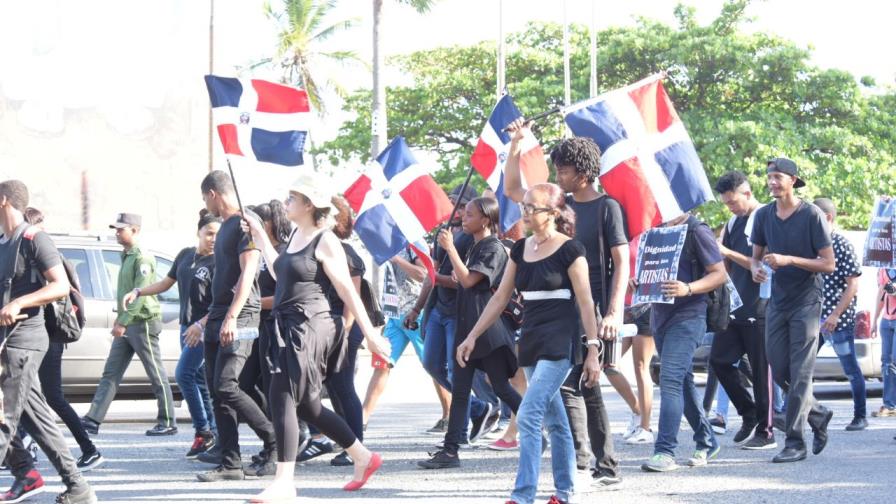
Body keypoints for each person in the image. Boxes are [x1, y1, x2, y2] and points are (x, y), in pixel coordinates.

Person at [242, 174, 393, 501]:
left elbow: (346, 290)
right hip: (289, 325)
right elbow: (277, 269)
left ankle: (284, 482)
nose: (286, 203)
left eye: (292, 198)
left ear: (309, 205)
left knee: (281, 393)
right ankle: (363, 457)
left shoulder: (325, 240)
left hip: (311, 326)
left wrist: (370, 334)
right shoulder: (297, 234)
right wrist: (258, 234)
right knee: (308, 405)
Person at [504, 122, 627, 487]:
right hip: (557, 309)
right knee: (569, 389)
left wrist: (614, 311)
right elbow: (512, 188)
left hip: (591, 307)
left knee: (586, 384)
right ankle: (584, 463)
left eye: (564, 170)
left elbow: (621, 260)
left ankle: (600, 464)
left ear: (585, 174)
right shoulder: (556, 205)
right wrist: (515, 146)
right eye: (556, 169)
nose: (558, 175)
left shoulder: (608, 208)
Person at [461, 183, 600, 504]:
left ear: (552, 213)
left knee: (528, 413)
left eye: (531, 208)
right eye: (523, 206)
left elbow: (586, 303)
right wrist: (472, 335)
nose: (524, 212)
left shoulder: (571, 250)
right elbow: (499, 298)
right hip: (531, 341)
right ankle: (565, 493)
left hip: (561, 342)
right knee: (556, 420)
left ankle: (522, 495)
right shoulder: (520, 249)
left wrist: (593, 349)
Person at [0, 179, 97, 504]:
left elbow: (60, 286)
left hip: (26, 342)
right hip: (8, 342)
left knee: (3, 416)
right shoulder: (4, 242)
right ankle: (75, 487)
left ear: (3, 201)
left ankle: (28, 473)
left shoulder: (34, 238)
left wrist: (18, 304)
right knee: (37, 419)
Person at [418, 197, 522, 469]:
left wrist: (451, 249)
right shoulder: (475, 246)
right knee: (461, 390)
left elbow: (467, 280)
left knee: (501, 387)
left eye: (470, 215)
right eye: (463, 214)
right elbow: (458, 280)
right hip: (468, 329)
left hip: (487, 332)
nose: (463, 218)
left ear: (486, 220)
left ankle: (541, 428)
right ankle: (451, 451)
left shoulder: (494, 249)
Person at [191, 170, 277, 481]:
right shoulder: (226, 225)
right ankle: (230, 463)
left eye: (205, 198)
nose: (206, 204)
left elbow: (249, 271)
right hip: (216, 315)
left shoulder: (245, 222)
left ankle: (274, 439)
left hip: (239, 316)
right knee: (217, 391)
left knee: (228, 385)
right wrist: (209, 321)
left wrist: (230, 316)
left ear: (213, 193)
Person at [750, 157, 835, 463]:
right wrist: (756, 270)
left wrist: (789, 260)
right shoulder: (763, 215)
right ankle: (819, 413)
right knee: (780, 367)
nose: (772, 182)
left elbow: (828, 263)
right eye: (769, 176)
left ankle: (795, 442)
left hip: (807, 303)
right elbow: (755, 257)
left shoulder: (811, 214)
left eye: (778, 177)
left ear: (793, 180)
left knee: (799, 373)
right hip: (777, 301)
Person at [121, 210, 222, 458]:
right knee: (200, 380)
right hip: (185, 326)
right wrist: (139, 291)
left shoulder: (219, 262)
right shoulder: (186, 256)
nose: (213, 239)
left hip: (204, 328)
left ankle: (204, 432)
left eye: (217, 235)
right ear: (198, 232)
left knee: (183, 374)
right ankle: (214, 434)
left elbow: (221, 300)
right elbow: (166, 283)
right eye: (209, 233)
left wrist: (201, 325)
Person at [639, 213, 726, 472]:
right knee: (682, 380)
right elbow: (651, 272)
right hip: (660, 317)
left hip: (690, 316)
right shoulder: (655, 231)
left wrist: (687, 288)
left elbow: (719, 273)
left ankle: (665, 451)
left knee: (670, 380)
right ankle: (707, 440)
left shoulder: (696, 230)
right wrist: (640, 284)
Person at [80, 212, 177, 437]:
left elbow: (140, 295)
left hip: (142, 322)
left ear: (135, 230)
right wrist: (121, 319)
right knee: (111, 373)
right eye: (116, 228)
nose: (116, 232)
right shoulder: (126, 255)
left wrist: (123, 322)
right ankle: (93, 419)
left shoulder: (142, 258)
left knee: (156, 374)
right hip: (128, 321)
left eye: (120, 229)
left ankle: (168, 421)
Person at [710, 171, 777, 450]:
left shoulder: (766, 217)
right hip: (735, 304)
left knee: (763, 373)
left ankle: (766, 430)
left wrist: (725, 252)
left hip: (761, 305)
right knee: (720, 361)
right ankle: (749, 413)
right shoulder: (732, 221)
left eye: (733, 202)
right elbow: (726, 262)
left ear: (747, 193)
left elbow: (759, 263)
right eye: (726, 204)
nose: (731, 207)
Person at [813, 198, 867, 431]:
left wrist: (835, 315)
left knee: (851, 370)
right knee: (800, 367)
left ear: (827, 218)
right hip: (814, 317)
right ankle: (803, 413)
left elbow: (852, 285)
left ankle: (860, 416)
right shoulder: (813, 244)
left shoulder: (841, 244)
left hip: (838, 319)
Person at [871, 266, 896, 417]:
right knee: (886, 362)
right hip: (886, 322)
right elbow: (880, 294)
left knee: (894, 361)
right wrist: (874, 320)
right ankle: (889, 404)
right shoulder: (883, 270)